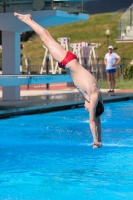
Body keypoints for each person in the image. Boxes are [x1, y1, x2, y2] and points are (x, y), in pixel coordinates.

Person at [14, 12, 104, 148]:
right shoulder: (92, 97)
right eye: (88, 109)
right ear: (93, 106)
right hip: (67, 61)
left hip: (71, 61)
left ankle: (29, 20)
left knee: (47, 37)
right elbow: (92, 120)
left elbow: (98, 120)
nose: (86, 108)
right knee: (45, 36)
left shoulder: (98, 97)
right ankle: (27, 19)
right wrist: (95, 141)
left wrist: (100, 139)